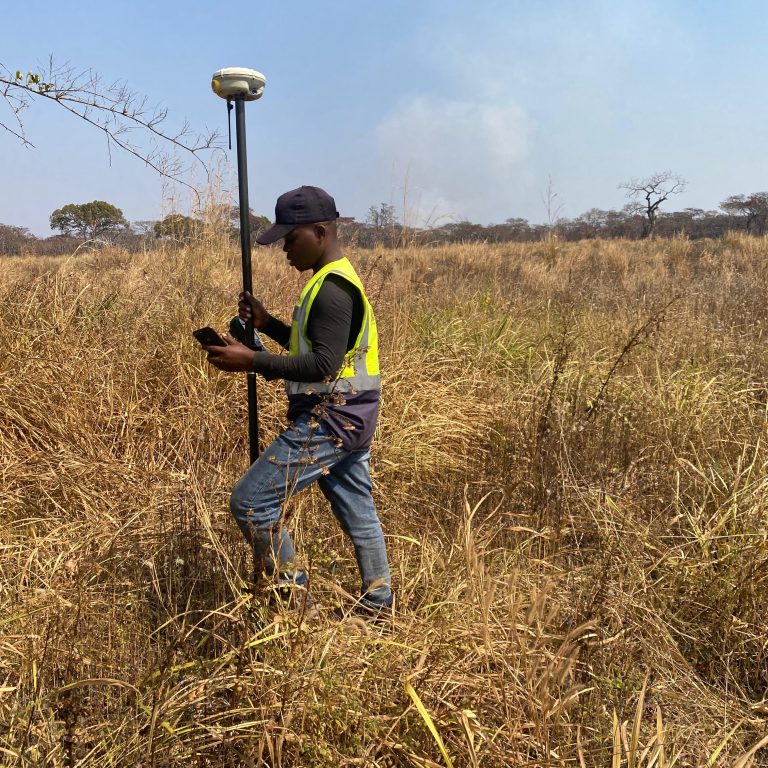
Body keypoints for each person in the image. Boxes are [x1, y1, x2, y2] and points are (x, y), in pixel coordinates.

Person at [203, 185, 393, 616]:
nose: (285, 249)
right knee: (358, 509)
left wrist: (251, 359)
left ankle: (293, 607)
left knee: (251, 502)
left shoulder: (332, 290)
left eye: (292, 239)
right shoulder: (328, 281)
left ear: (321, 231)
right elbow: (317, 348)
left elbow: (321, 365)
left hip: (332, 417)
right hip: (349, 415)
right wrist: (268, 323)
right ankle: (380, 606)